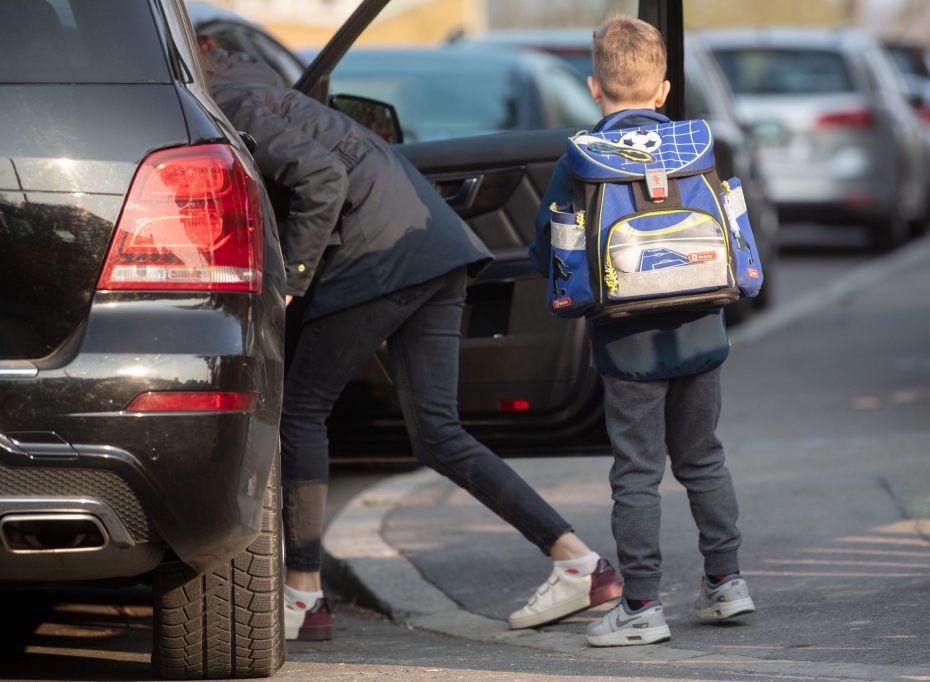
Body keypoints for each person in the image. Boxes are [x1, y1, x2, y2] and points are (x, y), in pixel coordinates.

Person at [200, 42, 621, 641]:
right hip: (435, 252)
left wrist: (291, 281)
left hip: (379, 263)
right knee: (439, 436)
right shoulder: (273, 93)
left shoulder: (227, 103)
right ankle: (578, 561)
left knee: (300, 411)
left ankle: (303, 596)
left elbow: (323, 178)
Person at [529, 16, 755, 648]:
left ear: (594, 88)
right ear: (663, 91)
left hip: (625, 345)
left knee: (636, 473)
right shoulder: (696, 146)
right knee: (703, 457)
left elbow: (546, 249)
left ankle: (641, 605)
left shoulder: (582, 157)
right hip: (702, 329)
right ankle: (726, 581)